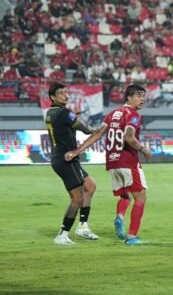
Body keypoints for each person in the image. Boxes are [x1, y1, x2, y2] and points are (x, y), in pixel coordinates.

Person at [46, 82, 106, 245]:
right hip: (67, 158)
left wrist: (74, 116)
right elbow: (85, 129)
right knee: (77, 198)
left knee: (90, 186)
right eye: (61, 93)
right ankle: (62, 234)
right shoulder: (64, 112)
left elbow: (66, 126)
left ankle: (83, 226)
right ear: (52, 97)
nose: (66, 95)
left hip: (62, 157)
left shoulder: (51, 113)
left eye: (66, 92)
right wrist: (97, 129)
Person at [101, 84, 151, 245]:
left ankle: (119, 217)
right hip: (128, 160)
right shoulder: (133, 114)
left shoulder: (112, 114)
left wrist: (78, 150)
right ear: (128, 97)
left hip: (112, 161)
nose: (142, 99)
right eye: (138, 95)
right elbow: (129, 137)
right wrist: (144, 150)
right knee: (141, 196)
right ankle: (132, 236)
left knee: (125, 195)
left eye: (143, 95)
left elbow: (98, 132)